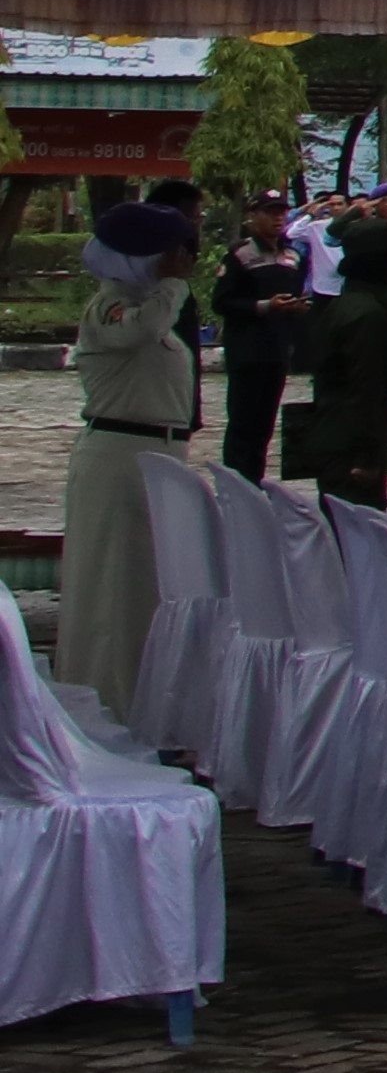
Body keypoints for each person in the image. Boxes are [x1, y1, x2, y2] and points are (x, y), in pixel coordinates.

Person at [56, 204, 200, 707]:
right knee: (110, 592)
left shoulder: (151, 304)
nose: (183, 261)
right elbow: (135, 331)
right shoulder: (110, 306)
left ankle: (142, 698)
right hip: (119, 457)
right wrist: (174, 285)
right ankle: (104, 702)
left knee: (144, 588)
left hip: (155, 457)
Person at [291, 215, 387, 508]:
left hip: (336, 437)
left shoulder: (346, 305)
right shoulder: (368, 316)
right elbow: (365, 389)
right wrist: (368, 455)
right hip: (349, 448)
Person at [213, 194, 308, 486]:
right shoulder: (239, 256)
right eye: (270, 213)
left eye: (281, 212)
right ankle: (235, 484)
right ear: (253, 216)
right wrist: (264, 306)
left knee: (265, 425)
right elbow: (223, 302)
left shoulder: (293, 257)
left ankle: (254, 482)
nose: (277, 219)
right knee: (243, 421)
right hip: (247, 348)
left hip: (276, 349)